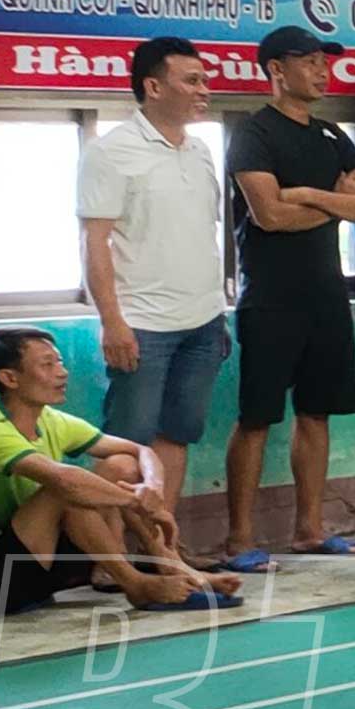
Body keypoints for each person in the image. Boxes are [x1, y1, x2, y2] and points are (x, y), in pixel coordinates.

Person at [0, 327, 238, 615]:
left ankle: (174, 568)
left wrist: (152, 490)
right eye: (47, 365)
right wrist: (137, 503)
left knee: (120, 465)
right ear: (9, 378)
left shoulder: (51, 420)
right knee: (67, 489)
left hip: (37, 562)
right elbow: (67, 483)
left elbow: (140, 451)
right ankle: (136, 585)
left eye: (59, 362)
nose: (62, 372)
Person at [222, 28, 355, 569]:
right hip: (270, 297)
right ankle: (239, 539)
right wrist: (337, 202)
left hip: (326, 295)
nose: (321, 71)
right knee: (256, 419)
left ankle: (309, 530)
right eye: (309, 62)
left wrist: (312, 195)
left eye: (323, 62)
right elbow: (269, 215)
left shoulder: (333, 136)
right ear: (276, 70)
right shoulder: (253, 134)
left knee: (317, 414)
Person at [79, 36, 230, 561]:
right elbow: (95, 242)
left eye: (204, 79)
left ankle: (163, 551)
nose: (204, 90)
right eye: (192, 80)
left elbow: (200, 235)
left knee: (174, 439)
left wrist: (216, 313)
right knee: (126, 446)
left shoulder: (201, 149)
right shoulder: (110, 151)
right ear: (153, 86)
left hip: (203, 322)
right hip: (142, 324)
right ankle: (111, 562)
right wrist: (112, 321)